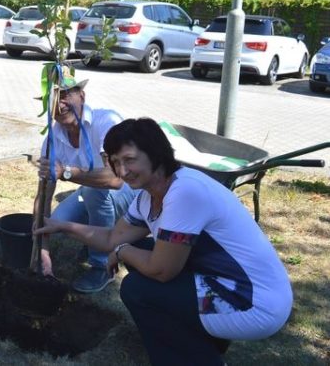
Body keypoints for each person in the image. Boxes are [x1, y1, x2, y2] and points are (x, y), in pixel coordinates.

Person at [35, 118, 293, 366]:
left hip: (255, 303)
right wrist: (62, 226)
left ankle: (199, 359)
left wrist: (123, 251)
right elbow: (112, 237)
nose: (122, 171)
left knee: (136, 289)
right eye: (115, 162)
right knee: (145, 252)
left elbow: (162, 270)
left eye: (129, 160)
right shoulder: (148, 197)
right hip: (227, 282)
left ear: (155, 154)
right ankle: (205, 342)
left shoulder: (184, 192)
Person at [35, 67, 135, 293]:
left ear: (82, 95)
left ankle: (103, 265)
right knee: (57, 221)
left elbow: (116, 180)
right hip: (94, 194)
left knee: (93, 193)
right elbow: (43, 196)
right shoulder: (54, 137)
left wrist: (67, 173)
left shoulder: (107, 121)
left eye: (65, 95)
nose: (59, 104)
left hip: (133, 196)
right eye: (52, 98)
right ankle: (95, 237)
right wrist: (43, 251)